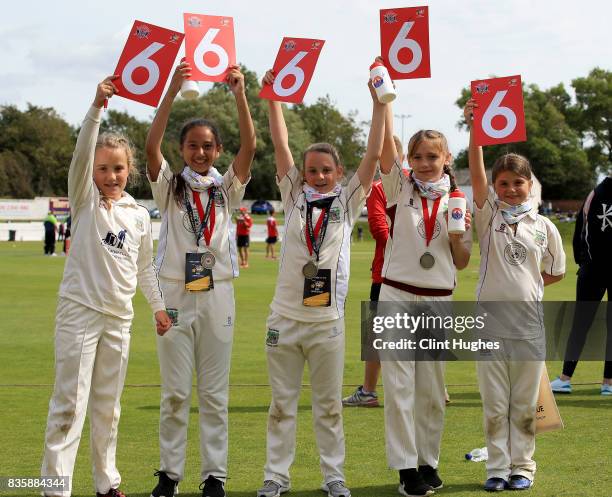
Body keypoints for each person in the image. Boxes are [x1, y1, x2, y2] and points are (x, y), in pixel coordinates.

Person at [256, 66, 386, 497]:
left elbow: (371, 157)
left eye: (326, 170)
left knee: (329, 408)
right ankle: (276, 477)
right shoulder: (293, 195)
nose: (319, 176)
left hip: (327, 322)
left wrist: (378, 104)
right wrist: (274, 96)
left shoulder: (347, 202)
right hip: (285, 319)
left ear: (337, 171)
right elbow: (280, 142)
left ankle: (334, 477)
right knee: (281, 407)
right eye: (312, 170)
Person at [41, 76, 172, 497]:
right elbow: (81, 155)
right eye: (103, 169)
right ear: (91, 172)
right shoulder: (83, 200)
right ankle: (54, 489)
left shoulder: (137, 214)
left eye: (118, 168)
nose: (111, 175)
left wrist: (157, 307)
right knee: (69, 405)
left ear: (129, 169)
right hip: (80, 312)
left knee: (108, 409)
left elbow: (144, 268)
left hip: (120, 320)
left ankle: (106, 483)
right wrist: (97, 106)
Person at [145, 60, 256, 497]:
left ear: (217, 149)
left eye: (208, 146)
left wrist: (240, 94)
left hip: (218, 294)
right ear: (183, 148)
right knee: (174, 393)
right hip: (174, 292)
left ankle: (215, 475)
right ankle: (169, 475)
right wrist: (172, 89)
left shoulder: (225, 189)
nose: (200, 153)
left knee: (214, 393)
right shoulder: (170, 185)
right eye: (192, 146)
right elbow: (151, 144)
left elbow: (250, 145)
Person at [464, 99, 566, 492]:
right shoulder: (487, 215)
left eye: (517, 182)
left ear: (530, 184)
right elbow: (475, 172)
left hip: (527, 326)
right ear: (495, 186)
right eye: (503, 183)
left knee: (523, 403)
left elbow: (553, 274)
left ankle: (523, 467)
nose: (509, 189)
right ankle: (496, 468)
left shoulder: (544, 227)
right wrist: (475, 129)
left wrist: (529, 290)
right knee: (494, 403)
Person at [378, 100, 473, 496]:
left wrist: (455, 239)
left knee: (432, 390)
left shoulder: (458, 200)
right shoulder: (399, 187)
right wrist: (382, 102)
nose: (424, 162)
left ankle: (427, 460)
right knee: (399, 387)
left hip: (438, 299)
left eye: (432, 156)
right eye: (417, 156)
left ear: (447, 157)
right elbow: (385, 152)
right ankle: (405, 470)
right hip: (396, 294)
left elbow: (464, 262)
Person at [342, 135, 404, 409]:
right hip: (398, 273)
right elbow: (380, 229)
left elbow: (380, 229)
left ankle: (368, 391)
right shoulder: (408, 188)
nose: (382, 163)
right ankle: (438, 389)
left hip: (389, 274)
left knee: (378, 336)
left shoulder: (381, 188)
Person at [550, 176, 612, 395]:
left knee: (580, 324)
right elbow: (581, 228)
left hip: (592, 269)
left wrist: (583, 262)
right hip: (594, 269)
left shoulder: (596, 192)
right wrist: (583, 261)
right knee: (584, 324)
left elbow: (580, 230)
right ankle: (600, 382)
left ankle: (574, 380)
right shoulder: (597, 192)